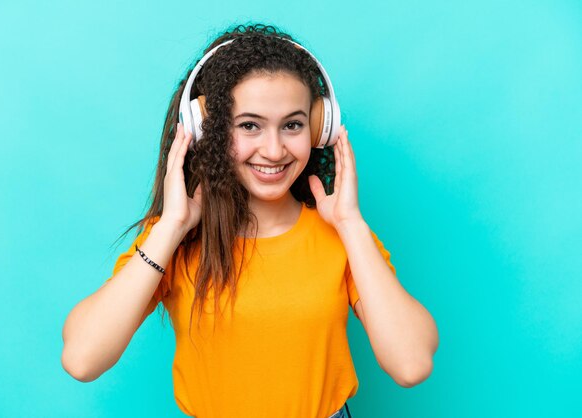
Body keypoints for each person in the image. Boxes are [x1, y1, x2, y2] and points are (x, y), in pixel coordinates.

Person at [61, 23, 439, 418]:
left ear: (317, 129)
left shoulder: (341, 236)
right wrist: (172, 226)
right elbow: (82, 358)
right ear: (207, 130)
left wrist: (351, 224)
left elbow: (411, 364)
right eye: (249, 126)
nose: (274, 150)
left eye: (292, 125)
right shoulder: (174, 240)